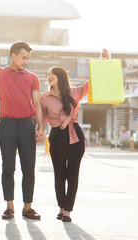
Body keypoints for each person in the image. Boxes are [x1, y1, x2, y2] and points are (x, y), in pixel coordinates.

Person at [0, 26, 44, 220]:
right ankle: (10, 207)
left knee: (29, 168)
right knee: (8, 168)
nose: (26, 61)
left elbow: (37, 103)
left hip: (27, 125)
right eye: (23, 57)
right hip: (7, 125)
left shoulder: (33, 78)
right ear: (13, 56)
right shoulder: (0, 74)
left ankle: (27, 208)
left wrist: (40, 126)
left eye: (28, 58)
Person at [40, 49, 110, 222]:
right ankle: (61, 206)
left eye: (52, 74)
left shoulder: (74, 92)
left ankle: (68, 212)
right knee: (59, 174)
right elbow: (42, 119)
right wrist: (38, 130)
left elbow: (91, 83)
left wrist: (101, 61)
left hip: (75, 134)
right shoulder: (44, 98)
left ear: (60, 77)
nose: (49, 77)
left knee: (72, 174)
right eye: (48, 75)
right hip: (56, 135)